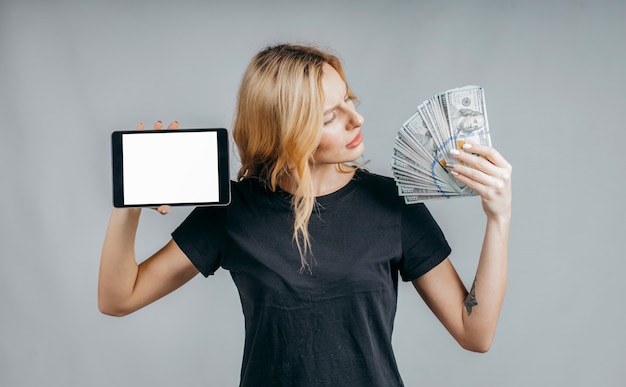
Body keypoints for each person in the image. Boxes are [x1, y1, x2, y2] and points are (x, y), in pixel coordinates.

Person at [98, 43, 512, 386]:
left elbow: (474, 333)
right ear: (285, 130)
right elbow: (119, 298)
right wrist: (129, 206)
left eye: (350, 100)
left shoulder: (393, 203)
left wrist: (499, 218)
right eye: (331, 116)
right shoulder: (233, 211)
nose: (357, 119)